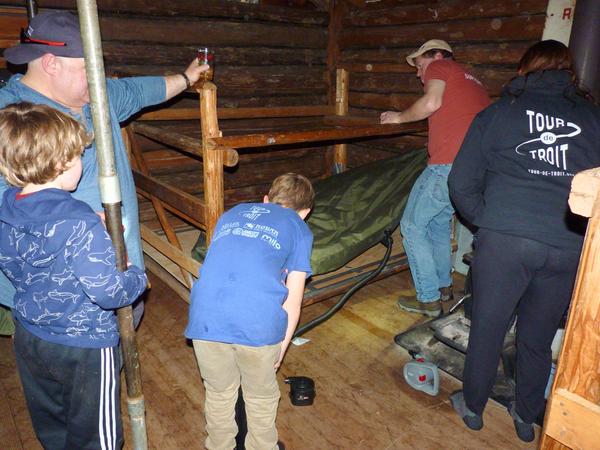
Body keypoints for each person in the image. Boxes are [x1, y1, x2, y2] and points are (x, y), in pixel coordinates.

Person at [0, 10, 209, 325]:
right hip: (56, 296)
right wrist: (76, 222)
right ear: (50, 63)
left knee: (114, 351)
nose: (97, 77)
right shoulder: (10, 116)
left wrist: (186, 78)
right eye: (88, 68)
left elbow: (142, 91)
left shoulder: (98, 94)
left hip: (117, 273)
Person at [447, 40, 600, 442]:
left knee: (488, 328)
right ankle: (526, 416)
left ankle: (474, 407)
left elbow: (460, 183)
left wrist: (491, 223)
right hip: (567, 245)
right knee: (537, 337)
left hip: (505, 241)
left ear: (525, 69)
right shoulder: (594, 119)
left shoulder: (498, 114)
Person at [0, 102, 149, 449]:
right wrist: (139, 277)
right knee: (98, 435)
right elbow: (109, 292)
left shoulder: (8, 205)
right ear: (61, 164)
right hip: (83, 346)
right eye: (78, 156)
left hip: (31, 335)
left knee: (55, 423)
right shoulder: (78, 221)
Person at [185, 173, 314, 450]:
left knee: (219, 393)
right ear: (305, 212)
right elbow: (293, 299)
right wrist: (281, 346)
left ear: (266, 199)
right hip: (257, 324)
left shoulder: (233, 213)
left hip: (205, 317)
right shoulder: (299, 228)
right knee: (260, 398)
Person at [380, 39, 490, 316]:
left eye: (419, 65)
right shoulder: (472, 80)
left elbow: (430, 102)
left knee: (412, 226)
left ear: (438, 55)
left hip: (447, 164)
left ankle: (427, 299)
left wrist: (398, 118)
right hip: (475, 168)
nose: (419, 74)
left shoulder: (441, 66)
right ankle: (444, 287)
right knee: (439, 224)